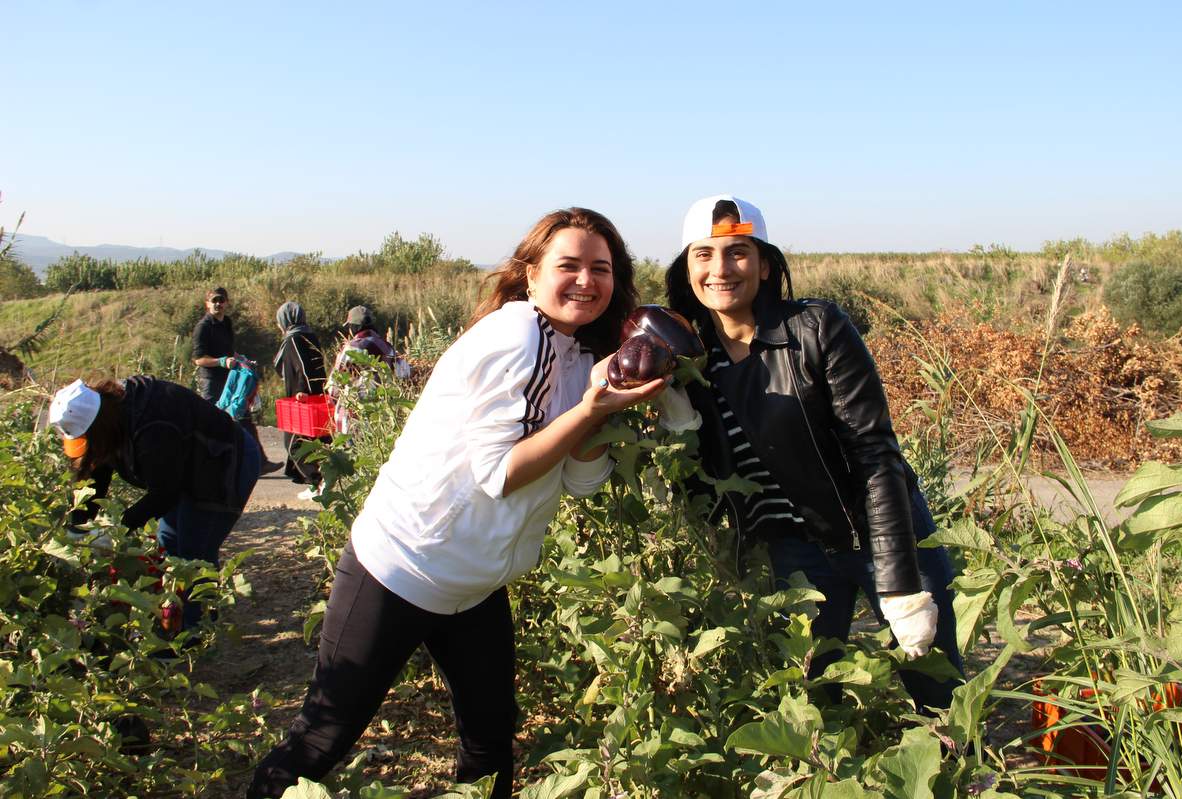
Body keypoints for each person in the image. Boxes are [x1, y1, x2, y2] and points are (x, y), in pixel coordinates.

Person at [247, 208, 664, 798]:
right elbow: (500, 474)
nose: (586, 281)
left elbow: (579, 482)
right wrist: (590, 411)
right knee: (323, 737)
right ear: (530, 273)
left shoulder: (574, 357)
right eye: (567, 265)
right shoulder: (518, 335)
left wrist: (601, 409)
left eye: (602, 269)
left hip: (473, 586)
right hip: (400, 566)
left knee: (491, 741)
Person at [665, 195, 963, 711]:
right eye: (703, 255)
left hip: (877, 530)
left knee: (934, 687)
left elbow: (874, 452)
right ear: (685, 268)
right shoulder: (690, 362)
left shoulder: (816, 328)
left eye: (738, 252)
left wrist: (897, 580)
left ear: (764, 264)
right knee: (812, 694)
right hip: (794, 553)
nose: (720, 269)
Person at [48, 376, 260, 629]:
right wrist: (78, 526)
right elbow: (97, 472)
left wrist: (117, 531)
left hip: (224, 463)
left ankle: (196, 632)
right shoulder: (110, 414)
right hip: (186, 466)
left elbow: (164, 494)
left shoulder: (152, 427)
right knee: (169, 544)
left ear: (98, 426)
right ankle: (177, 622)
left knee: (193, 556)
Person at [191, 286, 283, 475]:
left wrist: (241, 360)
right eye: (214, 300)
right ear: (207, 304)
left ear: (227, 303)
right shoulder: (203, 327)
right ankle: (203, 464)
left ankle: (260, 462)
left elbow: (229, 350)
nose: (218, 304)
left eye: (221, 300)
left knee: (244, 418)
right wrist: (221, 362)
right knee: (209, 422)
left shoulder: (227, 323)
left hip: (231, 380)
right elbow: (198, 359)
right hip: (212, 381)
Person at [327, 305, 411, 434]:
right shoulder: (387, 347)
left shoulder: (350, 350)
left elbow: (334, 389)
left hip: (353, 420)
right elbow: (405, 372)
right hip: (380, 420)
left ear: (354, 327)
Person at [273, 301, 328, 496]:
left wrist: (305, 390)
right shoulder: (309, 335)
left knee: (295, 443)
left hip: (301, 399)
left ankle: (318, 483)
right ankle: (318, 484)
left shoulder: (295, 339)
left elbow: (304, 366)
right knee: (315, 440)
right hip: (314, 396)